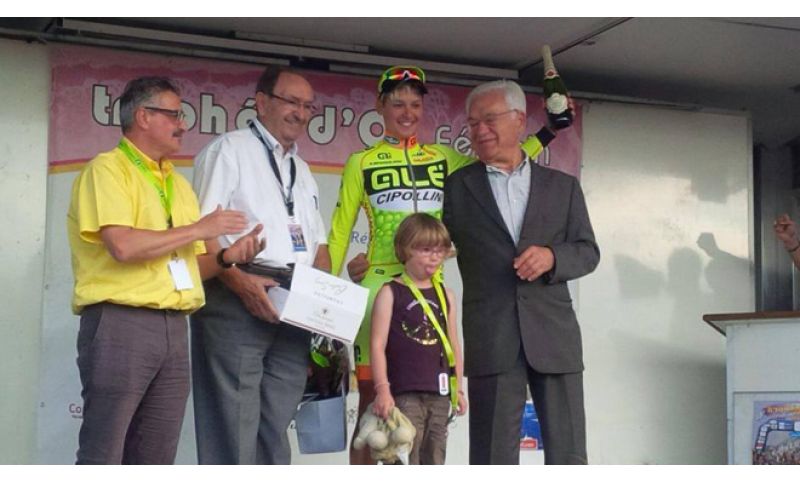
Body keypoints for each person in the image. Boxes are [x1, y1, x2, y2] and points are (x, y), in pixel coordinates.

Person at [327, 65, 555, 464]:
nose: (407, 113)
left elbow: (504, 157)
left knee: (429, 402)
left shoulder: (444, 158)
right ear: (380, 106)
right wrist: (325, 298)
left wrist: (549, 132)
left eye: (415, 105)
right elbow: (339, 233)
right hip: (379, 287)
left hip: (430, 291)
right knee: (372, 406)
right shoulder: (361, 162)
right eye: (398, 104)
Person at [67, 76, 263, 465]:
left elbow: (191, 266)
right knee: (104, 453)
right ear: (143, 116)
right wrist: (198, 230)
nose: (183, 125)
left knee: (156, 457)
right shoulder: (108, 170)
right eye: (175, 115)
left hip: (174, 327)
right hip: (122, 322)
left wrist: (227, 257)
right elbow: (122, 245)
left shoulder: (178, 183)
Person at [442, 79, 600, 465]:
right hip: (491, 336)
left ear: (518, 120)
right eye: (472, 123)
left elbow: (588, 252)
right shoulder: (456, 187)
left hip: (554, 337)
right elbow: (426, 242)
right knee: (492, 458)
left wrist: (552, 257)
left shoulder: (562, 187)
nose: (480, 130)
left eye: (489, 120)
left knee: (569, 457)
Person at [191, 65, 331, 465]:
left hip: (293, 300)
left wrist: (322, 302)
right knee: (232, 418)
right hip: (235, 291)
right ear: (262, 102)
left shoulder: (301, 168)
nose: (300, 113)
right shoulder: (229, 150)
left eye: (308, 106)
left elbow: (317, 243)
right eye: (292, 102)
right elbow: (203, 231)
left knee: (277, 418)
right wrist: (239, 282)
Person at [370, 213, 467, 465]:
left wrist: (458, 389)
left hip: (440, 392)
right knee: (403, 456)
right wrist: (382, 390)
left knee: (435, 456)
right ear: (406, 249)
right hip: (403, 392)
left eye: (440, 250)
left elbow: (453, 343)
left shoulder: (446, 294)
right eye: (426, 250)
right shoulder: (390, 292)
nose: (435, 257)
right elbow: (377, 345)